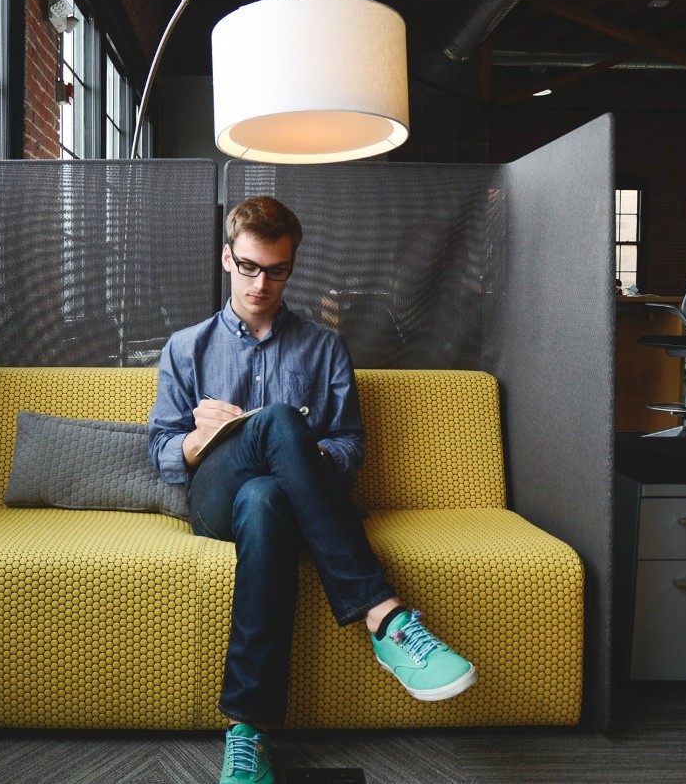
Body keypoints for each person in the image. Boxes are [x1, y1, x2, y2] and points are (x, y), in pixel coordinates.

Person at [148, 196, 476, 784]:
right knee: (273, 423)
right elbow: (163, 454)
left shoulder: (324, 348)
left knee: (268, 494)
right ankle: (384, 616)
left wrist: (304, 452)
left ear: (291, 268)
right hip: (213, 500)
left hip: (286, 507)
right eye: (248, 266)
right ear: (228, 258)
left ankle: (247, 731)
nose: (260, 283)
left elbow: (349, 444)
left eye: (276, 270)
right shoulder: (186, 347)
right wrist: (204, 438)